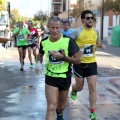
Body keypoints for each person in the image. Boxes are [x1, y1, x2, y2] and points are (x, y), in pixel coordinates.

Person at [36, 16, 81, 120]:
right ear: (48, 28)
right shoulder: (44, 42)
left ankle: (59, 114)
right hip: (50, 77)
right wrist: (38, 65)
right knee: (51, 107)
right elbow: (40, 55)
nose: (55, 31)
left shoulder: (68, 41)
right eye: (52, 28)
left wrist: (63, 57)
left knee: (60, 107)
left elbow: (78, 59)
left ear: (61, 27)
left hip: (65, 77)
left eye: (57, 28)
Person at [70, 10, 105, 120]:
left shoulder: (96, 31)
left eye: (92, 18)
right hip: (79, 63)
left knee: (92, 87)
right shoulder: (77, 32)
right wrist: (74, 53)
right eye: (88, 18)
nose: (91, 20)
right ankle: (74, 89)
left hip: (91, 63)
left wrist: (100, 45)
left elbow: (96, 42)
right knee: (80, 87)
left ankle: (92, 112)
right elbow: (69, 43)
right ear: (83, 20)